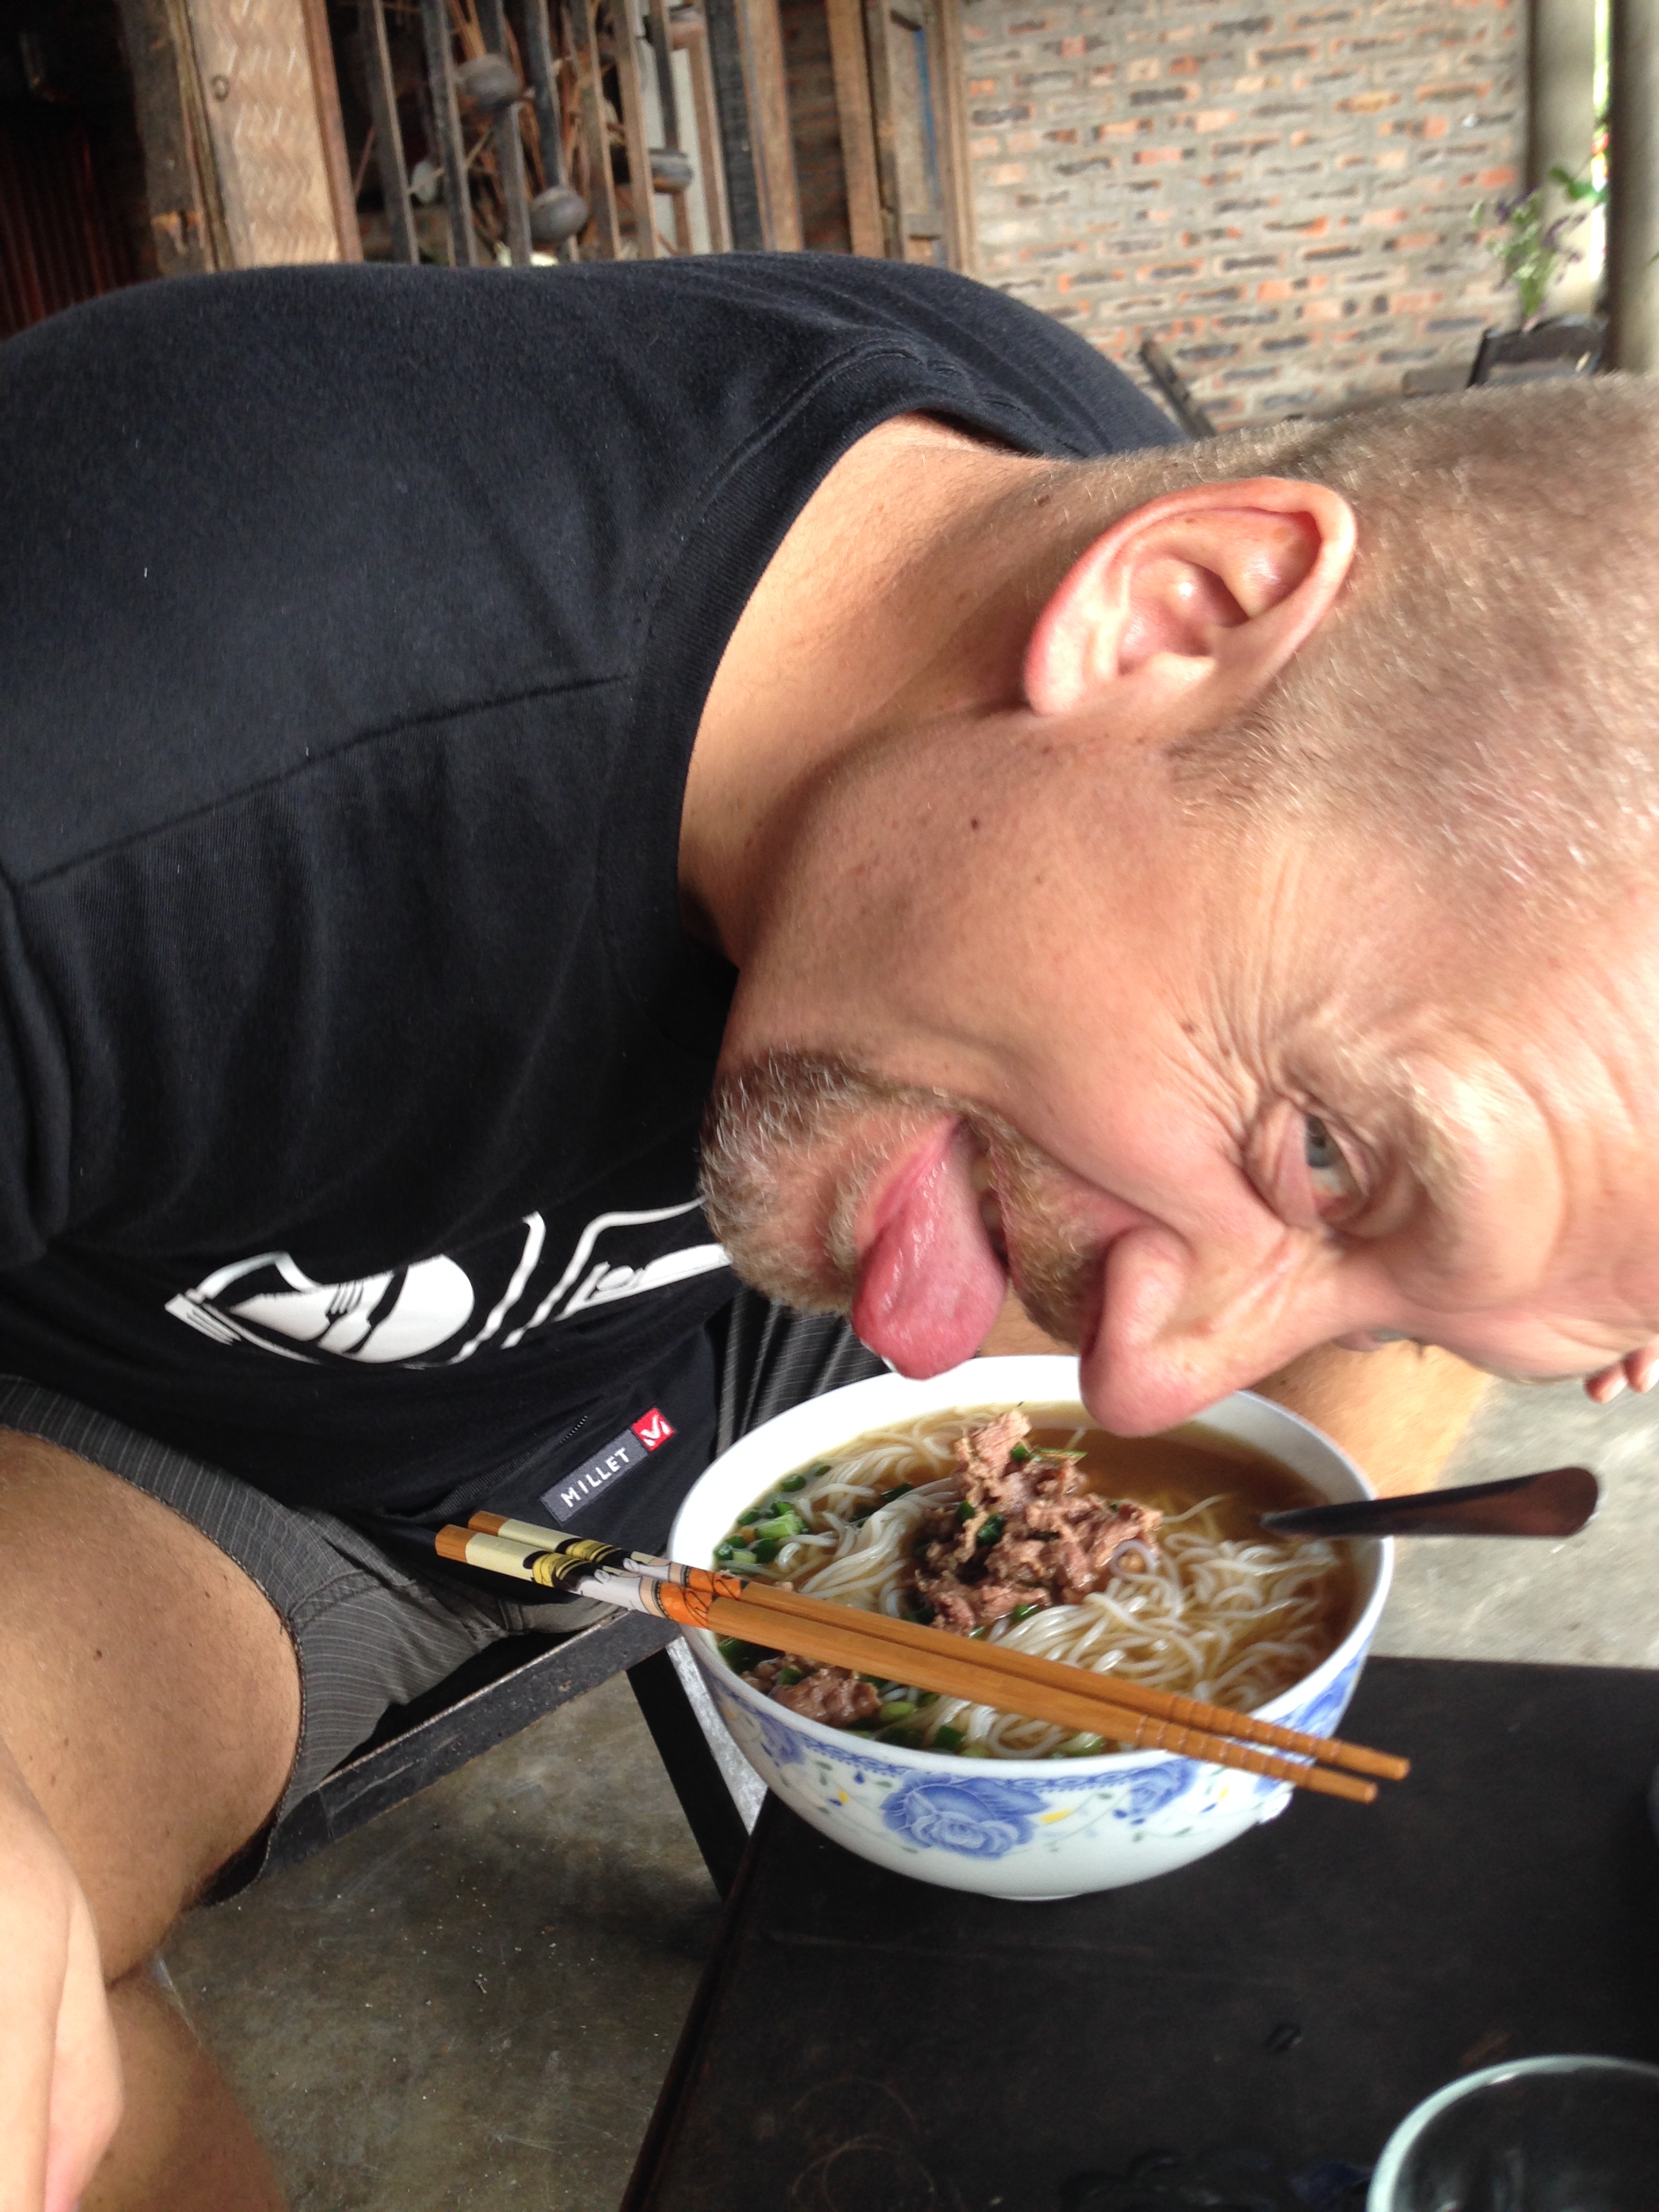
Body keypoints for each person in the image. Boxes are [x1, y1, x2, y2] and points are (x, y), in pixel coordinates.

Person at [1, 250, 1654, 2209]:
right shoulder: (119, 743)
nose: (1145, 1386)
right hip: (204, 1443)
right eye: (1320, 1156)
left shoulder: (1115, 656)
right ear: (1168, 612)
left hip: (724, 1315)